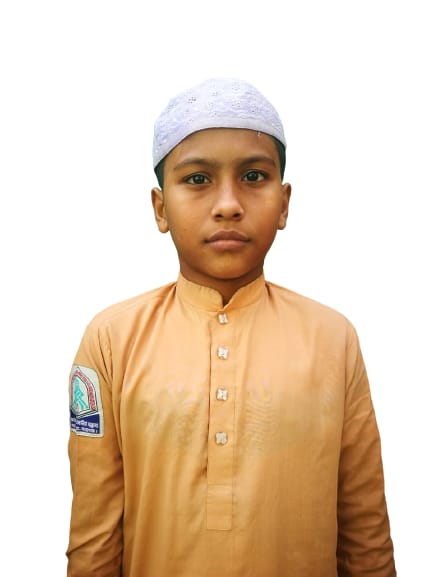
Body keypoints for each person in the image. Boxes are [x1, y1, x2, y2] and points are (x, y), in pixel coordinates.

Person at [66, 77, 396, 577]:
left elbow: (365, 532)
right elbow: (93, 538)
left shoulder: (333, 339)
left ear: (284, 203)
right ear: (160, 208)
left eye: (254, 176)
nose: (227, 204)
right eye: (198, 179)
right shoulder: (111, 341)